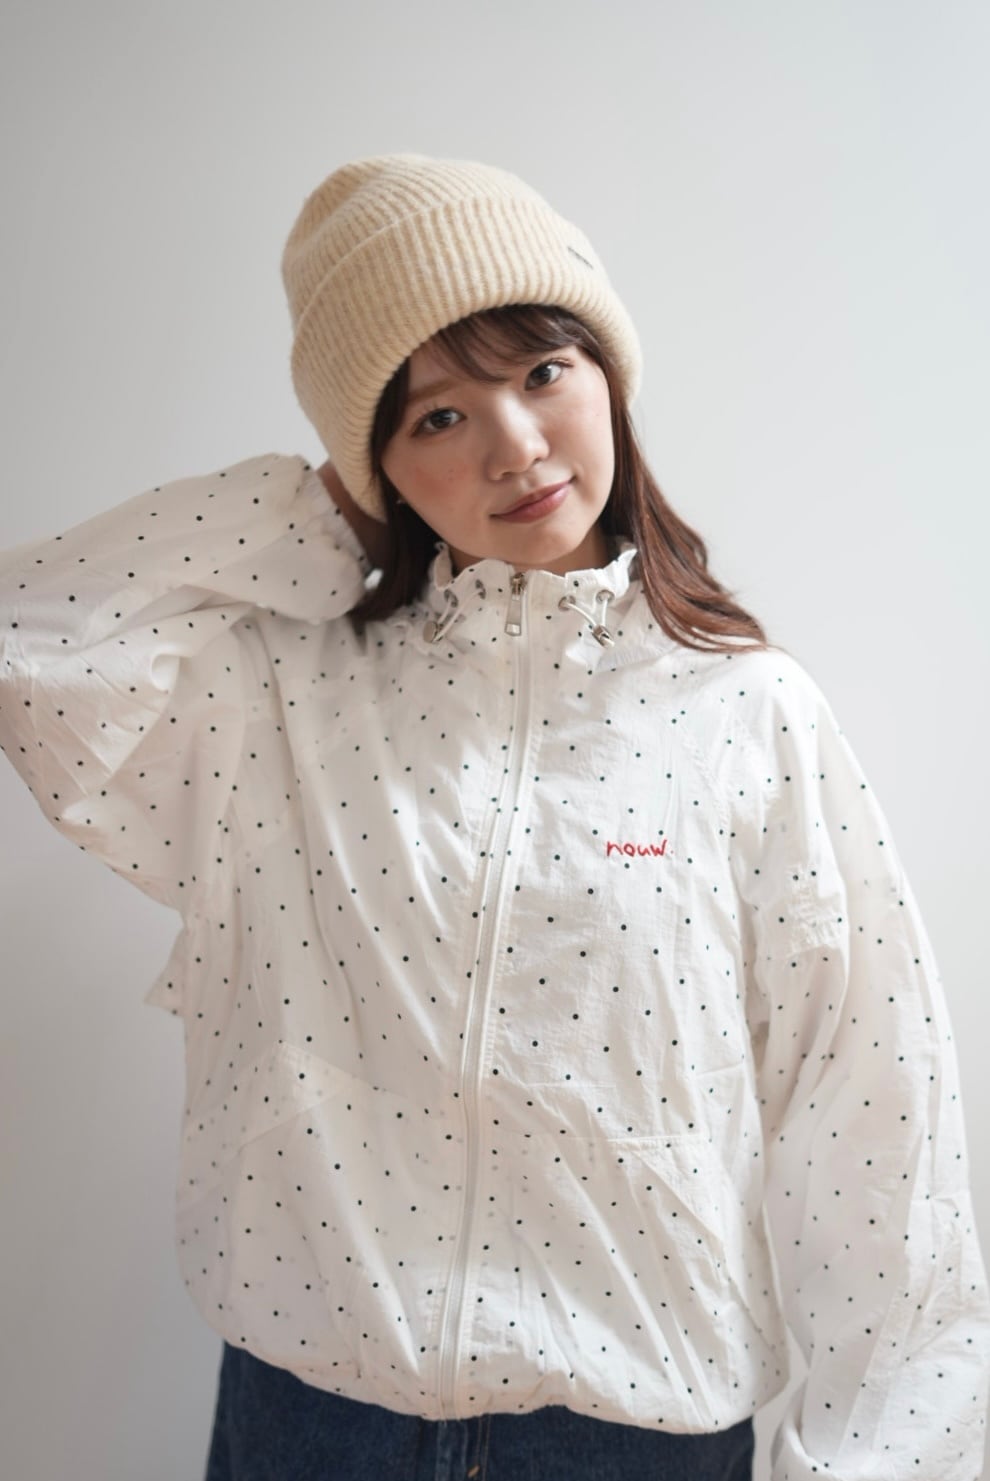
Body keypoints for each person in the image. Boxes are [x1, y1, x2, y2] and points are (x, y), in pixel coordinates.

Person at [0, 154, 986, 1481]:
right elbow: (27, 643)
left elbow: (871, 1111)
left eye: (542, 371)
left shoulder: (747, 716)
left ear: (608, 373)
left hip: (631, 1439)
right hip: (313, 1426)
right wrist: (316, 514)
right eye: (437, 417)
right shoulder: (276, 700)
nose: (514, 447)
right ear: (377, 466)